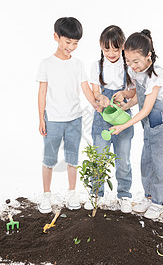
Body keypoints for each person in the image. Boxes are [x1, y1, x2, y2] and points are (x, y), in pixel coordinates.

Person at [110, 29, 163, 219]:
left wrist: (122, 126)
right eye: (128, 61)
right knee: (147, 161)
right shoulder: (137, 71)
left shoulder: (156, 75)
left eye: (136, 62)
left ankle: (158, 203)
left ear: (148, 56)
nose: (132, 66)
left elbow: (146, 109)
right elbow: (139, 98)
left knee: (161, 163)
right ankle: (149, 197)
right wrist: (125, 101)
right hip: (151, 123)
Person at [36, 17, 99, 213]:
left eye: (75, 43)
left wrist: (96, 105)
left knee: (73, 158)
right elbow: (42, 93)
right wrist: (41, 118)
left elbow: (85, 88)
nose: (71, 47)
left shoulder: (78, 64)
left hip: (74, 119)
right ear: (56, 37)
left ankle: (72, 192)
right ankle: (46, 194)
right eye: (67, 42)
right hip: (53, 119)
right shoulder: (46, 63)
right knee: (49, 158)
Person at [84, 25, 135, 213]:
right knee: (99, 157)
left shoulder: (128, 64)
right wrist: (101, 98)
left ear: (122, 46)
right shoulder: (96, 66)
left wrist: (123, 94)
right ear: (100, 46)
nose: (111, 53)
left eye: (116, 48)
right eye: (107, 49)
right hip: (102, 117)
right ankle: (96, 193)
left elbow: (133, 92)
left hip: (122, 116)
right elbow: (95, 91)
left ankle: (124, 195)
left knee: (123, 159)